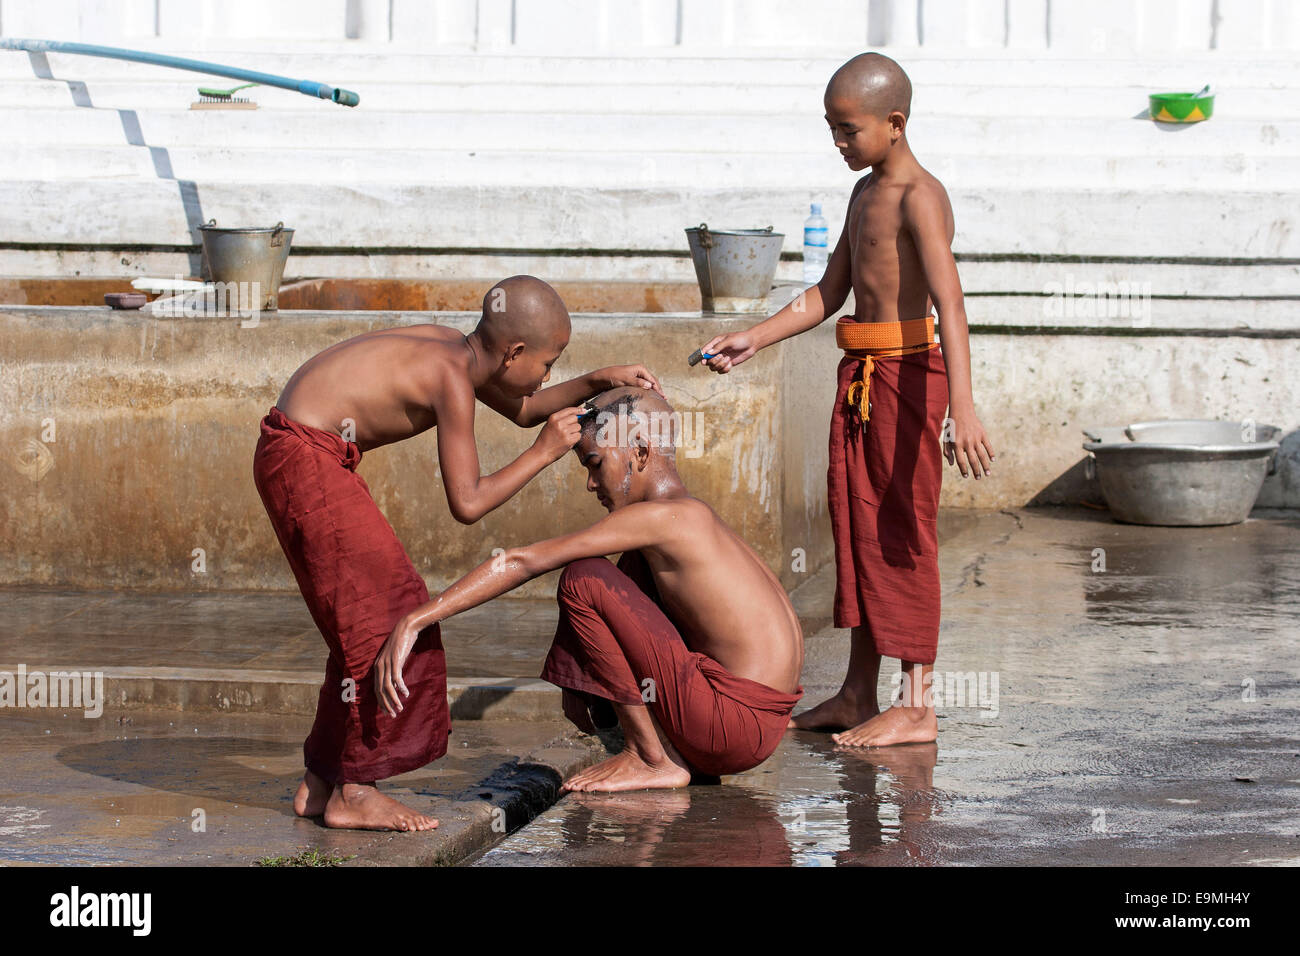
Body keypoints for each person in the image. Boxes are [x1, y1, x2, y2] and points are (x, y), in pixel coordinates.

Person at [252, 276, 661, 829]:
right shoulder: (450, 377)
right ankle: (355, 788)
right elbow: (467, 504)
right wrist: (541, 454)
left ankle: (324, 781)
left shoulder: (454, 347)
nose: (546, 376)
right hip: (305, 459)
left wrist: (597, 379)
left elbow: (521, 408)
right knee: (391, 617)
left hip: (301, 450)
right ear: (513, 352)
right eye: (548, 363)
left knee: (359, 621)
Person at [699, 53, 994, 747]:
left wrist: (965, 406)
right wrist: (756, 337)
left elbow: (950, 302)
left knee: (902, 536)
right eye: (831, 129)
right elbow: (830, 293)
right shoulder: (863, 195)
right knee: (858, 530)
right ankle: (859, 693)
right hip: (860, 380)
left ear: (894, 124)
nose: (838, 143)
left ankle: (916, 705)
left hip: (910, 380)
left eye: (848, 130)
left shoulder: (921, 195)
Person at [374, 386, 804, 792]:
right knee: (627, 569)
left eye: (596, 464)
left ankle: (650, 757)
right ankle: (644, 736)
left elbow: (524, 561)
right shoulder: (690, 516)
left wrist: (418, 618)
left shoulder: (665, 520)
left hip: (731, 728)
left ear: (639, 451)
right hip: (755, 730)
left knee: (584, 578)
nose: (591, 485)